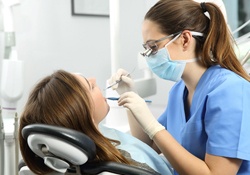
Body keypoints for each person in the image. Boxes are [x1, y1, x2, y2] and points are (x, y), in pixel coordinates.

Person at [108, 0, 250, 175]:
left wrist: (153, 126)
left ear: (184, 39)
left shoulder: (230, 90)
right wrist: (129, 96)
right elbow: (148, 145)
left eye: (153, 47)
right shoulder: (178, 91)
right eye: (146, 48)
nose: (148, 56)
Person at [18, 69, 172, 175]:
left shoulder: (85, 144)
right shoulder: (125, 166)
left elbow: (139, 146)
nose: (94, 79)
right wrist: (152, 126)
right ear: (85, 115)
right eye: (90, 86)